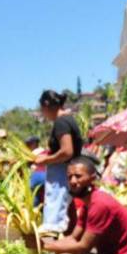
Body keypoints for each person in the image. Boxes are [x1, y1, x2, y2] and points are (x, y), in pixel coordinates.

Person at [34, 90, 83, 233]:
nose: (43, 113)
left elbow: (67, 151)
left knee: (58, 215)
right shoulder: (68, 119)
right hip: (67, 171)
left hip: (63, 173)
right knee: (68, 211)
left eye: (42, 109)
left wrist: (46, 159)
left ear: (47, 105)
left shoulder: (61, 122)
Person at [26, 136, 47, 207]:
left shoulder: (34, 152)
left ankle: (34, 210)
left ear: (34, 144)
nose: (27, 146)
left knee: (33, 194)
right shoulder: (44, 150)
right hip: (47, 176)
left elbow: (27, 162)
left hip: (38, 175)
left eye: (29, 144)